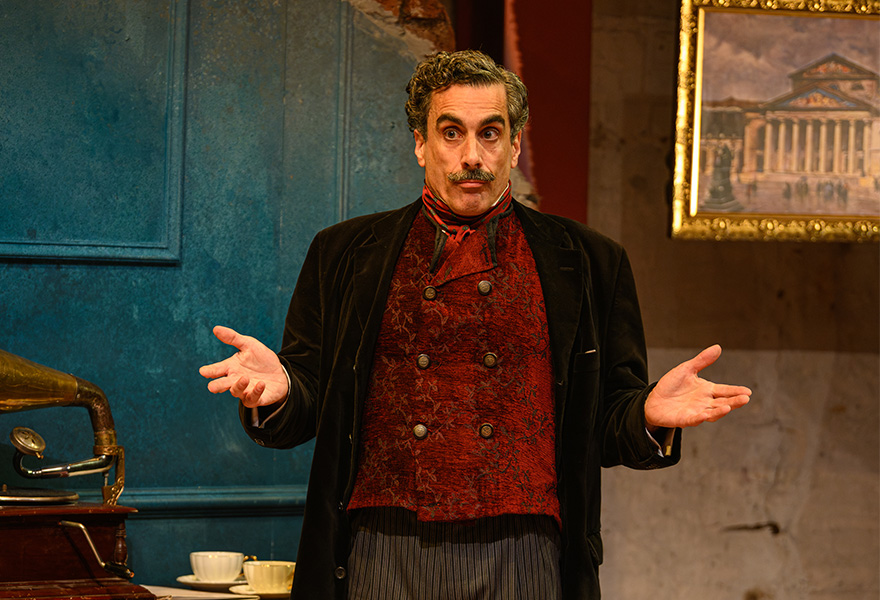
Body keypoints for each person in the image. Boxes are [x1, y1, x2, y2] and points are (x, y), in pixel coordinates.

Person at [199, 50, 751, 600]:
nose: (472, 156)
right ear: (420, 143)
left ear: (514, 144)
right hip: (382, 545)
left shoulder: (588, 262)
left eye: (490, 134)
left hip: (526, 549)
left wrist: (647, 412)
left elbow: (605, 421)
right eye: (451, 133)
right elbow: (311, 407)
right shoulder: (344, 253)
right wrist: (278, 391)